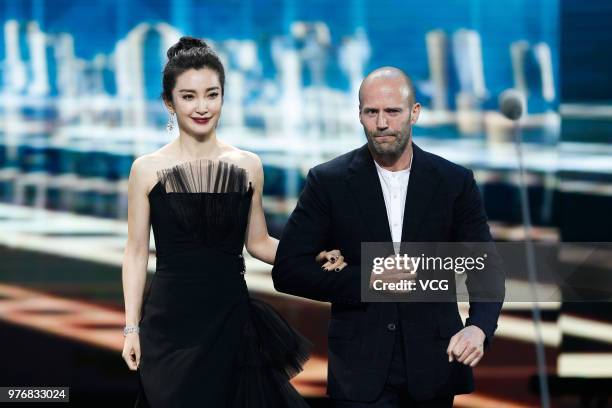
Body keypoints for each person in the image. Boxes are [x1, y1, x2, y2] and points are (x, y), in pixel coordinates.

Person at [121, 36, 347, 408]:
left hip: (229, 319)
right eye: (188, 96)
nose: (202, 106)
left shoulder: (248, 166)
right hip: (169, 324)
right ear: (169, 102)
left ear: (223, 96)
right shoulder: (146, 169)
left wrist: (311, 255)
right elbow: (134, 253)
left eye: (212, 94)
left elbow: (258, 243)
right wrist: (131, 328)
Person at [272, 67, 504, 407]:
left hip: (434, 363)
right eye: (371, 112)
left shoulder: (454, 182)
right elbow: (289, 269)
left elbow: (484, 266)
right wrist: (371, 277)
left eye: (392, 111)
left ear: (414, 113)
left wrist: (479, 327)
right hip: (360, 366)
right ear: (360, 116)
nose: (382, 123)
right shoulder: (329, 181)